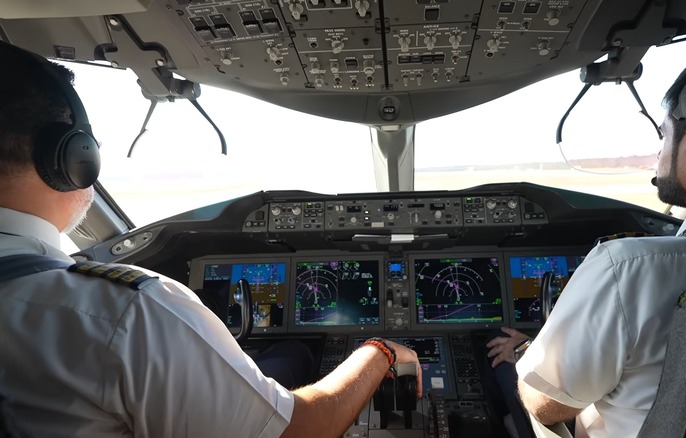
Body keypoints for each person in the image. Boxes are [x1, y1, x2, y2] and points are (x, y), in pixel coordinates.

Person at [0, 41, 422, 437]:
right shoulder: (128, 313)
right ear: (73, 158)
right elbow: (297, 430)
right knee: (292, 355)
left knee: (292, 352)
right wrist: (379, 350)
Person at [486, 43, 686, 437]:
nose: (660, 152)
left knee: (512, 378)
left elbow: (546, 402)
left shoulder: (625, 266)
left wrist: (527, 350)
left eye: (664, 137)